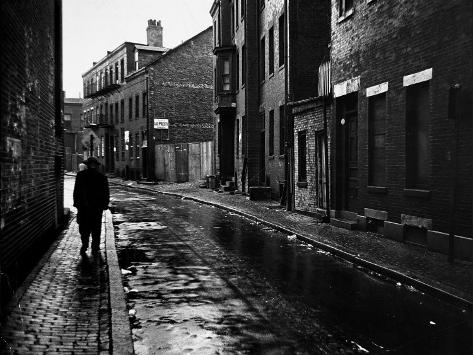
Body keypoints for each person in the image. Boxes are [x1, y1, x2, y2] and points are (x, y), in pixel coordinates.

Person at [73, 156, 110, 255]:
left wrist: (77, 203)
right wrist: (105, 204)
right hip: (95, 208)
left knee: (85, 228)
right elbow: (106, 193)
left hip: (85, 207)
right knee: (95, 228)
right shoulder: (101, 177)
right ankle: (94, 246)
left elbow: (76, 191)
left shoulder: (81, 175)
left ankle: (86, 245)